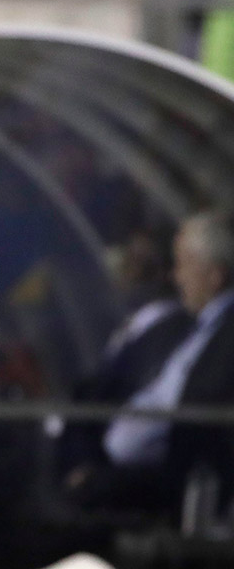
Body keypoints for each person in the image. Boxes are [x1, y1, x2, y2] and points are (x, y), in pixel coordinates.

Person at [70, 212, 234, 513]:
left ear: (215, 276)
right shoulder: (179, 324)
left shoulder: (224, 334)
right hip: (130, 469)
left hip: (180, 484)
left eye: (184, 265)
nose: (175, 277)